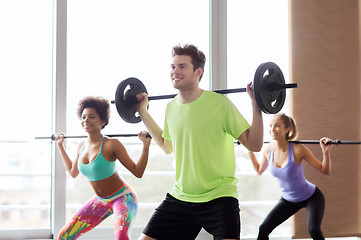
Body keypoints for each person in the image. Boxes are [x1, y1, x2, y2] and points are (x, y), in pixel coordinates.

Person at [135, 44, 264, 240]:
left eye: (182, 66)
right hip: (181, 197)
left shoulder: (219, 104)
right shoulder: (171, 107)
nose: (175, 71)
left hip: (219, 197)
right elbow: (165, 145)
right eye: (173, 67)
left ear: (198, 72)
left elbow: (254, 144)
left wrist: (257, 104)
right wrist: (143, 111)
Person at [54, 96, 151, 240]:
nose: (86, 120)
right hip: (101, 200)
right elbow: (73, 172)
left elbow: (138, 172)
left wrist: (146, 146)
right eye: (84, 116)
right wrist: (60, 146)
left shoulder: (112, 144)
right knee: (64, 236)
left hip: (123, 197)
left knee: (121, 237)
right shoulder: (81, 146)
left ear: (103, 121)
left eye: (92, 117)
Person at [248, 113, 332, 240]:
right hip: (288, 200)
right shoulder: (268, 150)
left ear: (287, 129)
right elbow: (259, 170)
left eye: (277, 126)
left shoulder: (298, 150)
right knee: (263, 229)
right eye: (271, 126)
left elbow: (324, 170)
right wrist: (250, 149)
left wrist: (325, 152)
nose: (272, 129)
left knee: (314, 230)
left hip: (311, 197)